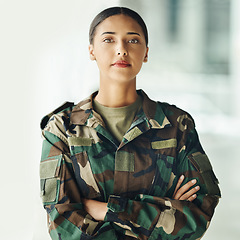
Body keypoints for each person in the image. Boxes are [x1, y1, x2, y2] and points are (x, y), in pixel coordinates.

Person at [40, 7, 221, 240]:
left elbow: (198, 216)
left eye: (132, 40)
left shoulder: (177, 125)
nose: (121, 50)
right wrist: (165, 208)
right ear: (92, 50)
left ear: (145, 52)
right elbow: (62, 224)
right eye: (109, 39)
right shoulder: (62, 128)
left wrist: (105, 209)